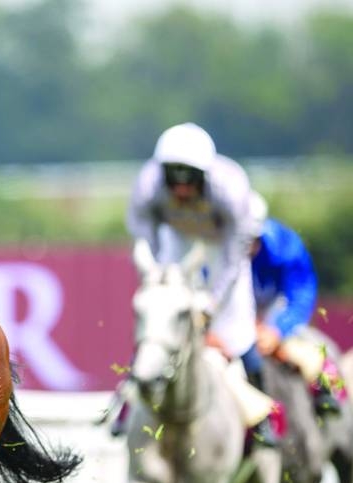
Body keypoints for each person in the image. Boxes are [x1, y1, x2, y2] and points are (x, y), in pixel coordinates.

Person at [120, 122, 279, 445]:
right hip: (177, 238)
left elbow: (235, 259)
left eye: (188, 179)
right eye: (173, 178)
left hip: (223, 245)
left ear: (204, 175)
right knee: (160, 320)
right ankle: (127, 403)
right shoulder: (148, 184)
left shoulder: (230, 189)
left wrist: (212, 303)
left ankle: (262, 415)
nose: (180, 190)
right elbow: (146, 239)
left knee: (237, 328)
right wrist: (156, 281)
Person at [250, 205, 343, 416]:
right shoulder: (217, 243)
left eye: (251, 240)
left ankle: (326, 403)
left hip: (277, 318)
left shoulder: (284, 245)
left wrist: (276, 330)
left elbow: (300, 294)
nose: (247, 248)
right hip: (236, 326)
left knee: (315, 361)